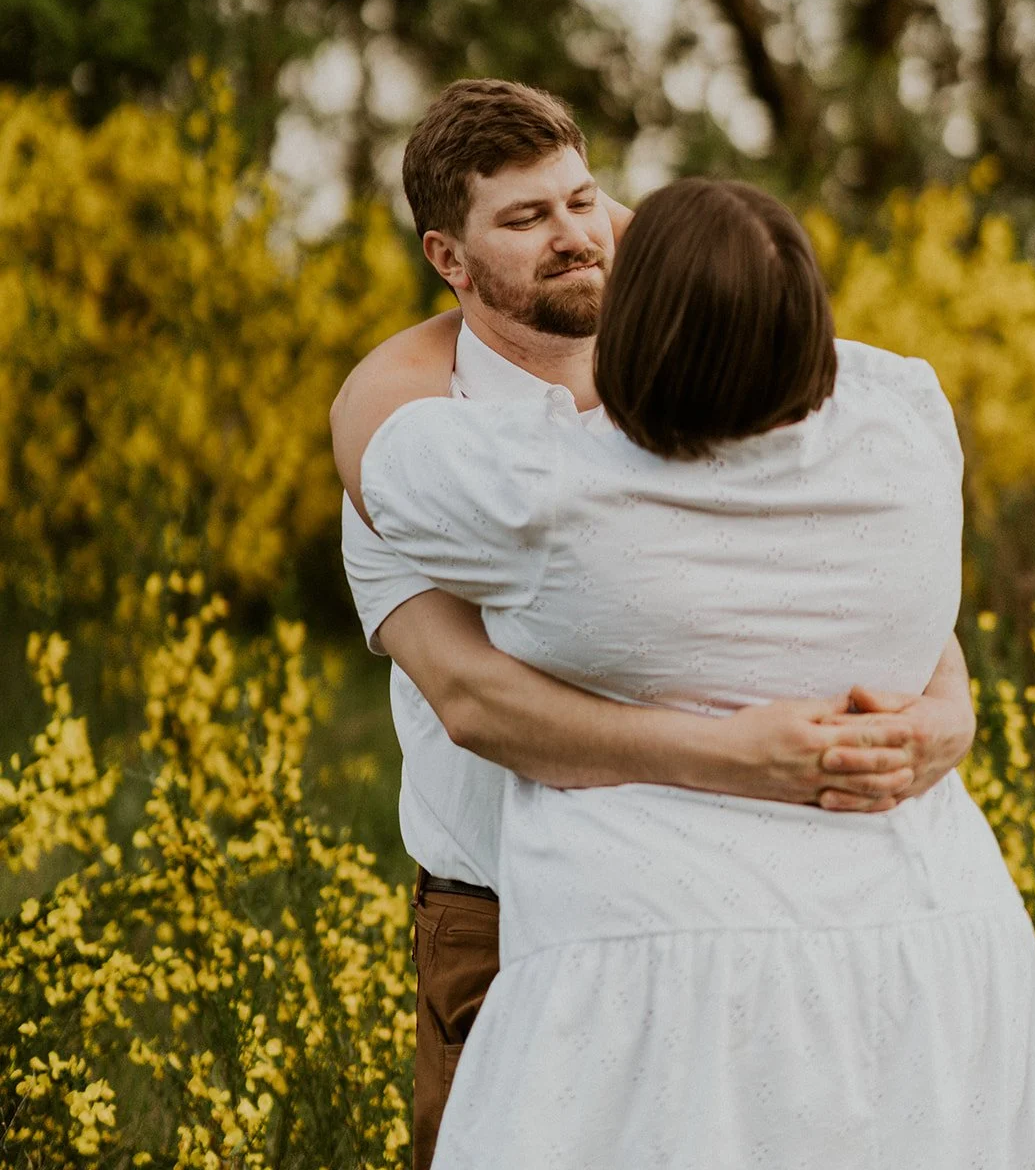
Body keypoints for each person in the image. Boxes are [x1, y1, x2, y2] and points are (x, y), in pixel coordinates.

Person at [331, 80, 978, 1169]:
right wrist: (739, 758)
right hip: (501, 916)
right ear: (448, 259)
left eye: (587, 201)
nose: (575, 235)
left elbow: (864, 579)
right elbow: (475, 699)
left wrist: (947, 708)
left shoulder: (716, 387)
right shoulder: (433, 458)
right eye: (527, 219)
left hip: (766, 920)